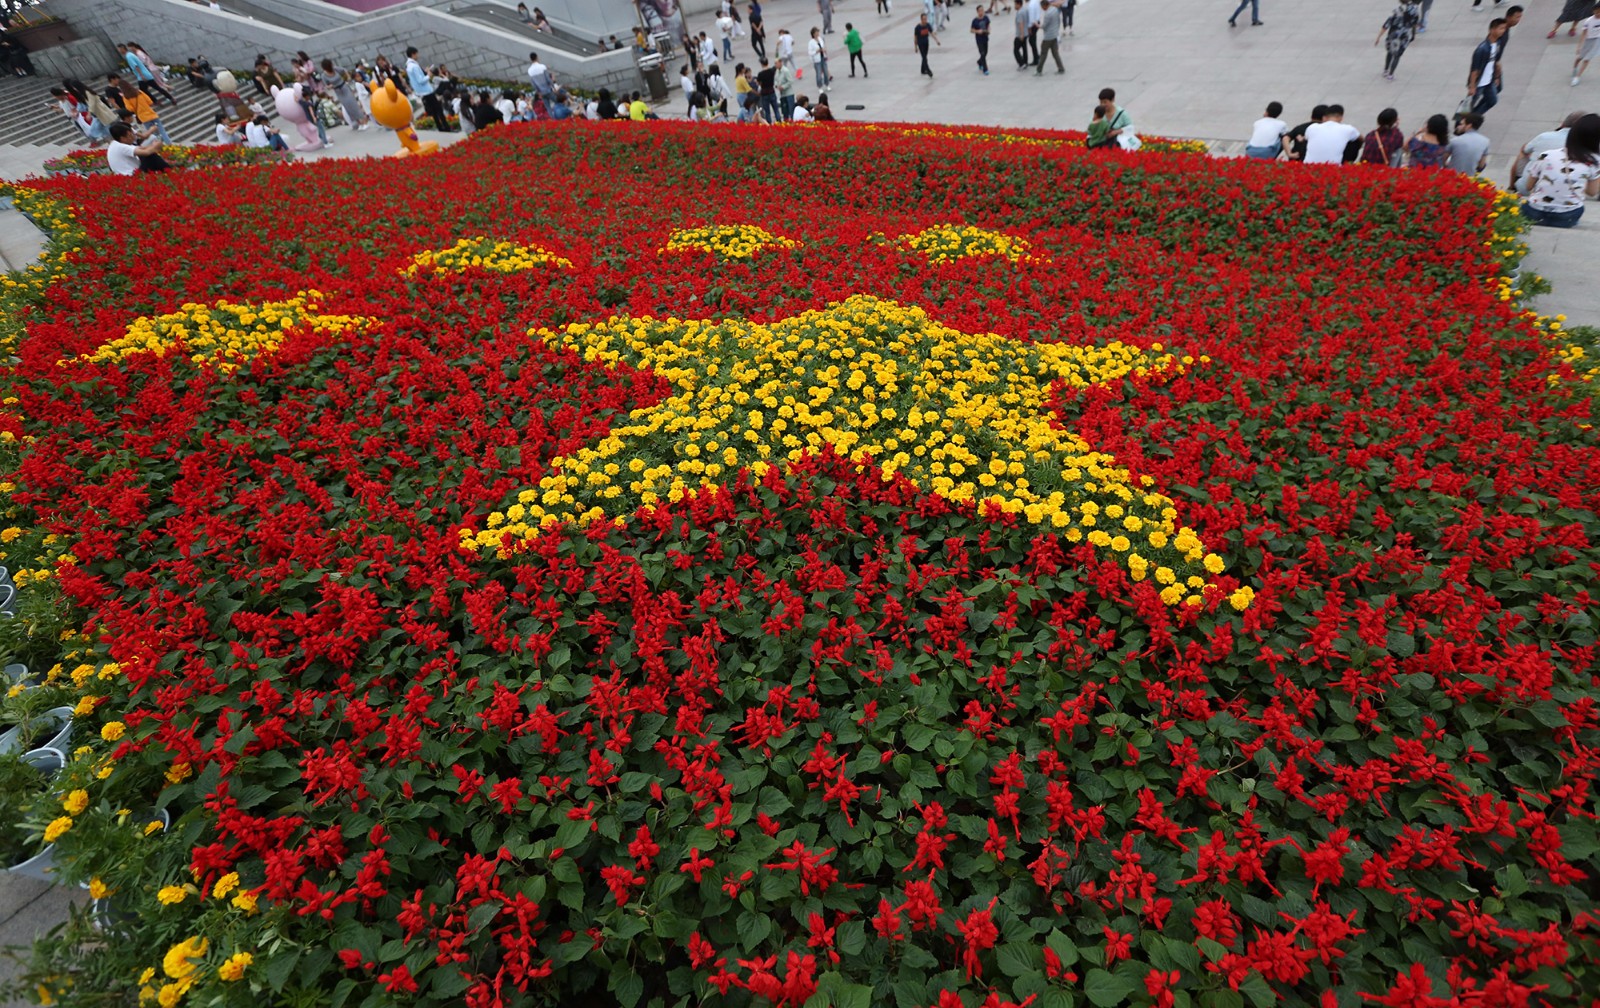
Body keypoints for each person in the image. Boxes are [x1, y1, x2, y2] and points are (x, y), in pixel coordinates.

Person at [1521, 112, 1600, 226]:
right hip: (1567, 216)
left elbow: (1528, 186)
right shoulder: (1594, 162)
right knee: (1577, 206)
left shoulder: (1546, 155)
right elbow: (1592, 192)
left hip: (1533, 212)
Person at [1511, 112, 1587, 192]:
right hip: (1564, 193)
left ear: (1562, 124)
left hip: (1527, 188)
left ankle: (1512, 187)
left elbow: (1525, 149)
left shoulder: (1544, 136)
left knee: (1523, 154)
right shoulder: (1585, 146)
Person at [405, 47, 451, 131]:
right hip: (426, 91)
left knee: (433, 111)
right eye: (416, 54)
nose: (417, 55)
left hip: (422, 91)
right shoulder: (414, 66)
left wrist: (425, 73)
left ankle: (440, 127)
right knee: (438, 109)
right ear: (413, 54)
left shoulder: (409, 65)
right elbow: (420, 80)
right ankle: (445, 127)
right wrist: (429, 75)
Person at [1467, 19, 1506, 117]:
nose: (1503, 31)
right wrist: (1472, 86)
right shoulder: (1482, 49)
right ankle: (1459, 125)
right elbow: (1474, 70)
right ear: (1492, 30)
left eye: (1504, 28)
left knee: (1492, 100)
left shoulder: (1497, 44)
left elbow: (1495, 61)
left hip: (1489, 80)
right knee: (1468, 105)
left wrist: (1497, 76)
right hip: (1478, 83)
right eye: (1500, 28)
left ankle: (1473, 118)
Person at [1375, 1, 1422, 80]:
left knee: (1390, 52)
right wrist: (1413, 35)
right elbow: (1414, 24)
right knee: (1397, 55)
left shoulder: (1396, 11)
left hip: (1392, 35)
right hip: (1404, 36)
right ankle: (1391, 74)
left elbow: (1386, 25)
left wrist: (1378, 37)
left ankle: (1386, 70)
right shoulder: (1414, 10)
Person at [1573, 3, 1600, 85]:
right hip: (1589, 40)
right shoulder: (1589, 21)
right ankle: (1575, 68)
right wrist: (1579, 46)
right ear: (1593, 11)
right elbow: (1583, 34)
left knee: (1587, 59)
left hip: (1598, 40)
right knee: (1580, 57)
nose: (1598, 14)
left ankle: (1577, 77)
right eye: (1597, 12)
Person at [1035, 0, 1064, 74]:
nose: (1042, 9)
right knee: (1055, 54)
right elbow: (1058, 20)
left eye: (1042, 7)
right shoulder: (1055, 10)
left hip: (1048, 37)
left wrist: (1038, 25)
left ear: (1044, 5)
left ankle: (1039, 70)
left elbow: (1044, 26)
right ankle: (1061, 68)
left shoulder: (1048, 14)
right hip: (1054, 35)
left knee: (1043, 54)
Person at [970, 6, 993, 75]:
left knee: (985, 53)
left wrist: (988, 30)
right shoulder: (975, 20)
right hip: (979, 39)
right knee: (982, 53)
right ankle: (985, 69)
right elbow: (971, 30)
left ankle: (979, 62)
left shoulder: (986, 18)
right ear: (977, 11)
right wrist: (977, 31)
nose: (981, 12)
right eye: (980, 10)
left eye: (982, 10)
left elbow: (988, 25)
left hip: (985, 38)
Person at [756, 58, 780, 122]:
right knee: (776, 109)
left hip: (764, 93)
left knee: (767, 111)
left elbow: (758, 83)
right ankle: (779, 122)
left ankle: (769, 124)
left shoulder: (760, 74)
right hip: (772, 91)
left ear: (761, 64)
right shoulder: (771, 71)